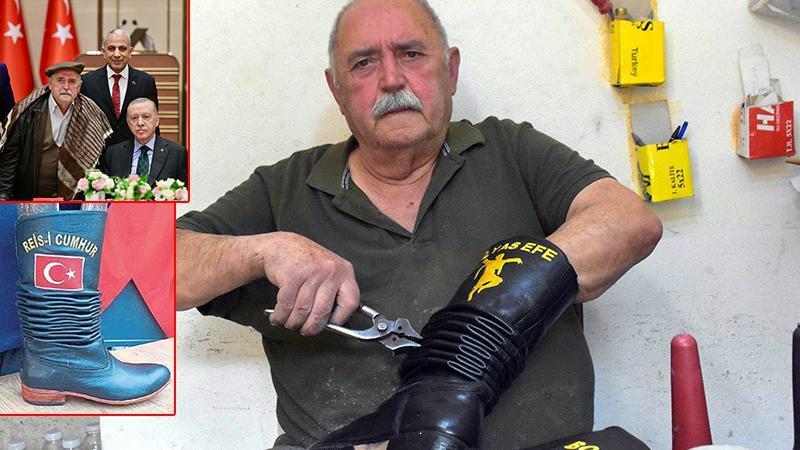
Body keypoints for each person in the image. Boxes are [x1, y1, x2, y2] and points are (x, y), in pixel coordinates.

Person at [176, 0, 663, 448]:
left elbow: (629, 221)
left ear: (450, 70)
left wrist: (483, 332)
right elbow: (151, 269)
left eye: (411, 54)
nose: (392, 79)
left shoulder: (509, 152)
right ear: (337, 89)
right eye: (363, 63)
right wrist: (265, 250)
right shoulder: (282, 189)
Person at [0, 61, 111, 200]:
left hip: (73, 201)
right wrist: (3, 198)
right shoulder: (27, 112)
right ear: (50, 84)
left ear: (79, 86)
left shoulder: (91, 115)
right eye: (60, 81)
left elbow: (98, 162)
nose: (66, 86)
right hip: (30, 198)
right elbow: (9, 161)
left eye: (72, 81)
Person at [80, 29, 158, 146]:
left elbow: (153, 123)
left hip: (134, 152)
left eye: (122, 48)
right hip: (99, 153)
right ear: (103, 52)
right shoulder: (87, 82)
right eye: (111, 48)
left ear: (130, 52)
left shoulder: (145, 82)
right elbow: (82, 125)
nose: (117, 54)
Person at [99, 97, 187, 186]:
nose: (140, 123)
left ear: (157, 121)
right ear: (128, 123)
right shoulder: (114, 153)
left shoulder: (177, 153)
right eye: (134, 118)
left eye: (146, 117)